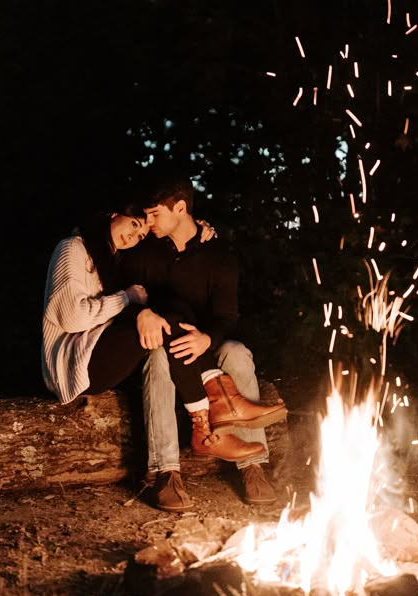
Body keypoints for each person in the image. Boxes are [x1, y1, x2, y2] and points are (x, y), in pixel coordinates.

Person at [41, 204, 263, 509]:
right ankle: (212, 409)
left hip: (102, 350)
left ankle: (210, 416)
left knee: (173, 311)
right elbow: (71, 317)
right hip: (75, 363)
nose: (134, 236)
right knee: (169, 318)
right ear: (111, 212)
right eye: (133, 224)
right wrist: (129, 300)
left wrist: (201, 231)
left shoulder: (113, 257)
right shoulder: (73, 249)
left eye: (141, 233)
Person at [124, 172, 286, 510]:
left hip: (206, 346)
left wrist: (206, 339)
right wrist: (142, 315)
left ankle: (253, 467)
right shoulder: (144, 250)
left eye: (155, 213)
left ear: (180, 208)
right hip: (160, 344)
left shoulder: (220, 254)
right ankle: (165, 472)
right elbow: (125, 297)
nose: (147, 221)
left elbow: (228, 317)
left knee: (237, 352)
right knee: (156, 356)